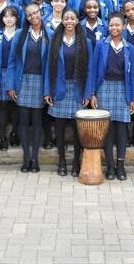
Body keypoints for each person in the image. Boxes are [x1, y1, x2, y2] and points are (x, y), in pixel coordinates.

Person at [87, 13, 134, 181]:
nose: (114, 28)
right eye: (111, 25)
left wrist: (132, 98)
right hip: (105, 87)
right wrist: (93, 93)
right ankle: (109, 165)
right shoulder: (101, 45)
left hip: (123, 89)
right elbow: (93, 70)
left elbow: (133, 74)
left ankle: (120, 165)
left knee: (122, 128)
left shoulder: (129, 47)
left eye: (117, 25)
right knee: (107, 129)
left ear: (123, 27)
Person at [45, 9, 91, 176]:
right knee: (59, 130)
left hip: (78, 89)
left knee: (78, 131)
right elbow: (47, 68)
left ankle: (76, 164)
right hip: (59, 89)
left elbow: (90, 69)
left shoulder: (85, 41)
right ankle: (62, 162)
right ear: (62, 21)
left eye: (73, 18)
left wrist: (87, 93)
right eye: (66, 18)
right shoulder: (55, 41)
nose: (70, 21)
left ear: (77, 21)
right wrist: (47, 91)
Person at [7, 3, 51, 173]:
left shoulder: (50, 34)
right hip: (23, 81)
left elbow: (52, 64)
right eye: (30, 14)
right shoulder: (20, 34)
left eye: (36, 13)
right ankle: (26, 158)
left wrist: (49, 88)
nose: (34, 16)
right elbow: (11, 61)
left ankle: (36, 158)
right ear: (26, 17)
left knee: (38, 122)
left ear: (41, 13)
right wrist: (11, 85)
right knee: (24, 122)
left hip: (41, 81)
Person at [0, 6, 20, 151]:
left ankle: (15, 133)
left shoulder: (21, 33)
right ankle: (2, 135)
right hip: (0, 73)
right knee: (2, 105)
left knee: (15, 105)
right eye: (6, 16)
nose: (9, 19)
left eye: (12, 16)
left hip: (16, 74)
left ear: (17, 18)